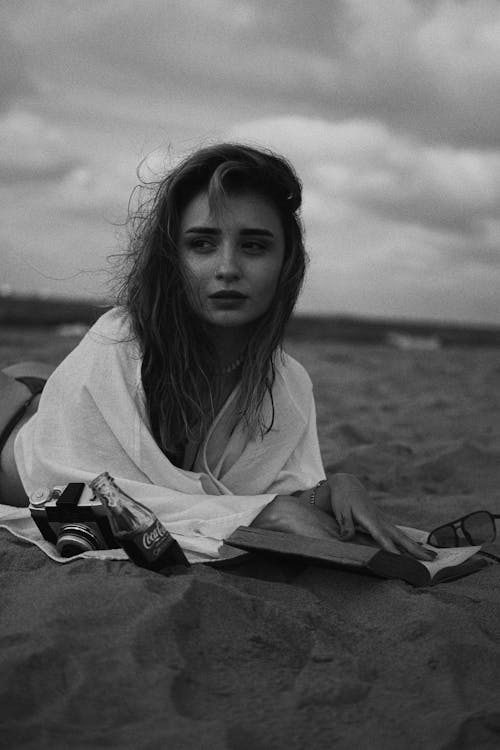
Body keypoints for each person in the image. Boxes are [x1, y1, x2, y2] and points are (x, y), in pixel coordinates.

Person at [0, 143, 433, 563]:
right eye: (202, 244)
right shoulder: (117, 340)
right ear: (172, 257)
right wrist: (263, 515)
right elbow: (84, 496)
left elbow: (263, 493)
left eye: (254, 245)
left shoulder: (287, 381)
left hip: (53, 388)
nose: (228, 268)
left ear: (287, 262)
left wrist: (336, 487)